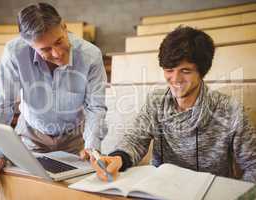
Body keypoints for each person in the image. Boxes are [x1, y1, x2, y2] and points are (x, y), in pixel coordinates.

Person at [91, 26, 256, 183]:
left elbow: (253, 165)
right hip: (159, 191)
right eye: (169, 70)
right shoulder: (155, 101)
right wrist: (118, 158)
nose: (175, 79)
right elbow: (135, 139)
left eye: (185, 71)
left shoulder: (229, 110)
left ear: (201, 72)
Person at [0, 2, 107, 193]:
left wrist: (92, 146)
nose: (57, 54)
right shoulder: (14, 53)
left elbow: (95, 107)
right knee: (31, 193)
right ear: (29, 44)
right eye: (45, 49)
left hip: (74, 139)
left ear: (64, 27)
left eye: (59, 41)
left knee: (73, 194)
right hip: (31, 136)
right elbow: (2, 105)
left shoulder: (91, 55)